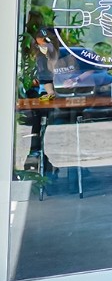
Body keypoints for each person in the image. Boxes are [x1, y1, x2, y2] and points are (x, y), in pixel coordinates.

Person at [24, 27, 58, 174]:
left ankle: (38, 156)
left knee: (40, 126)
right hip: (39, 92)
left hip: (41, 91)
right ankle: (36, 156)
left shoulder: (45, 51)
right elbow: (46, 74)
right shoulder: (41, 53)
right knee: (39, 124)